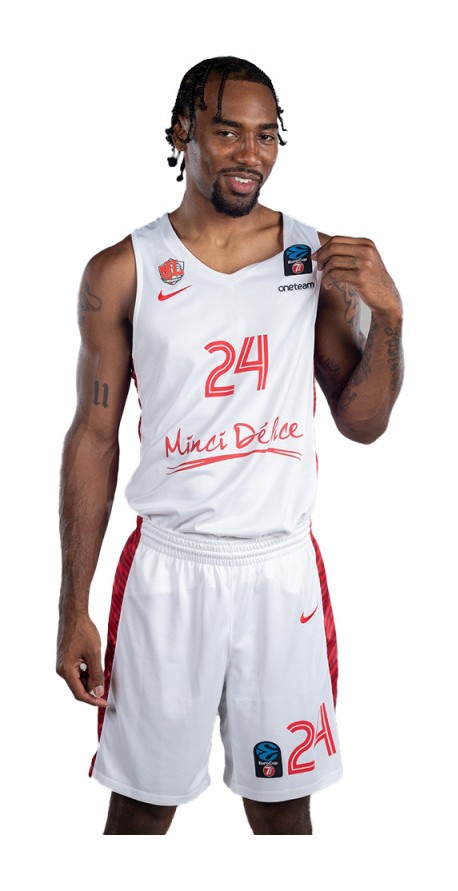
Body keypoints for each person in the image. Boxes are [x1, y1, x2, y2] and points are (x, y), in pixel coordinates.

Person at [56, 56, 403, 835]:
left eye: (266, 135)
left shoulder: (315, 261)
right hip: (167, 572)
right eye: (227, 132)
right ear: (182, 133)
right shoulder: (123, 269)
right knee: (140, 809)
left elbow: (363, 422)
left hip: (279, 573)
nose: (251, 154)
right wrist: (72, 604)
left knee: (282, 810)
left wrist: (388, 319)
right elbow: (93, 435)